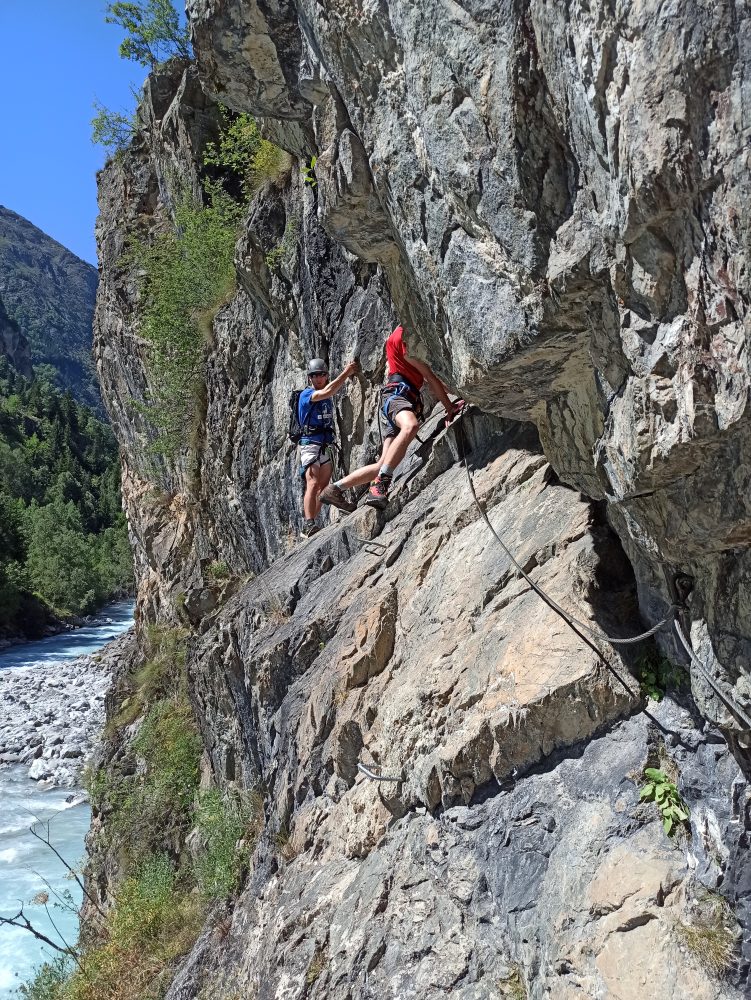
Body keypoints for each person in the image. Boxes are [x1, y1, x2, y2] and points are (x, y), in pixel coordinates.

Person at [321, 325, 461, 512]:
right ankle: (381, 485)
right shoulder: (405, 338)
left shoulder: (397, 335)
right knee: (410, 426)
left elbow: (430, 378)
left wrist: (455, 394)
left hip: (390, 399)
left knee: (384, 462)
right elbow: (428, 375)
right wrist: (449, 407)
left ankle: (335, 488)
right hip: (398, 398)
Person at [298, 356, 360, 536]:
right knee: (313, 482)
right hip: (310, 443)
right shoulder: (307, 395)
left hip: (325, 443)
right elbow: (328, 391)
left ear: (326, 375)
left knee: (324, 486)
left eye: (322, 375)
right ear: (310, 378)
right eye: (315, 375)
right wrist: (347, 372)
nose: (318, 378)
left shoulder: (324, 394)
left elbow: (328, 391)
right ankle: (309, 523)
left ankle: (312, 524)